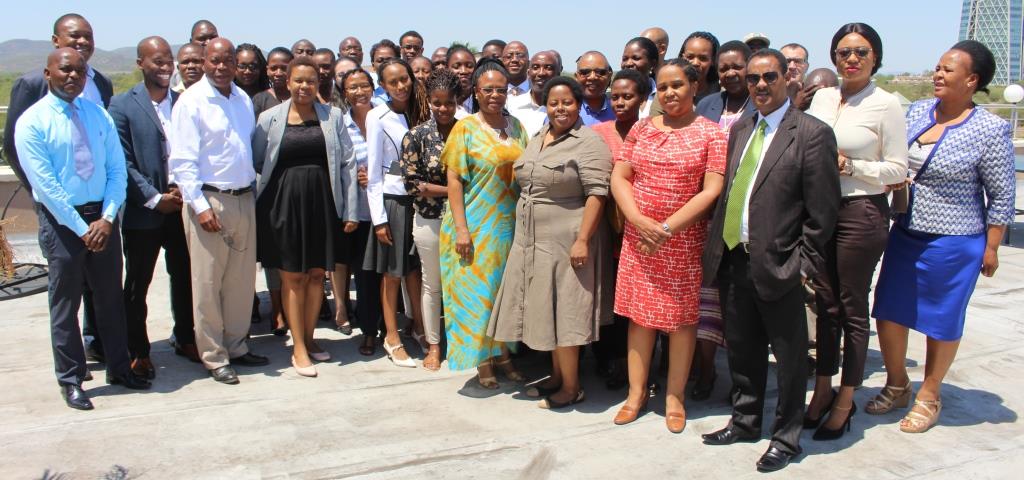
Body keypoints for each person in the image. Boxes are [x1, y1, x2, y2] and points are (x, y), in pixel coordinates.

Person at [700, 49, 839, 472]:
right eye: (754, 78)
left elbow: (823, 212)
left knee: (790, 357)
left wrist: (801, 266)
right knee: (742, 350)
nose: (760, 85)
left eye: (769, 77)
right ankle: (745, 420)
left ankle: (786, 436)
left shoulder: (812, 133)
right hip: (734, 258)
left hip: (780, 264)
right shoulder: (742, 127)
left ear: (786, 79)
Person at [870, 40, 1016, 434]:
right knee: (888, 310)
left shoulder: (990, 128)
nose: (938, 74)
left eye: (948, 70)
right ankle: (897, 383)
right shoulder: (917, 111)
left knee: (941, 320)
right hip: (906, 232)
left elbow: (1002, 193)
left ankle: (929, 394)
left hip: (956, 241)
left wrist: (992, 246)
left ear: (971, 80)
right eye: (937, 67)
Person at [16, 48, 152, 410]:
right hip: (62, 221)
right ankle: (72, 378)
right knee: (66, 304)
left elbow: (116, 170)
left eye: (79, 70)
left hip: (102, 218)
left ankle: (120, 369)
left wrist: (107, 218)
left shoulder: (98, 115)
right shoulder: (33, 122)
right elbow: (45, 186)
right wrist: (82, 228)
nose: (73, 76)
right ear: (48, 73)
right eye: (65, 70)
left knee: (110, 299)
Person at [609, 59, 726, 434]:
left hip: (684, 242)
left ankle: (675, 397)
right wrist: (638, 220)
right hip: (639, 239)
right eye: (663, 86)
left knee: (681, 322)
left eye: (677, 85)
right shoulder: (642, 130)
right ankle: (636, 394)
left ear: (694, 86)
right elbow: (621, 176)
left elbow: (712, 189)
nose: (670, 92)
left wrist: (667, 227)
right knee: (639, 319)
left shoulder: (711, 133)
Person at [805, 23, 909, 440]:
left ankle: (846, 399)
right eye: (844, 52)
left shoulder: (886, 105)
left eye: (861, 52)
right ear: (833, 58)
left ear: (875, 58)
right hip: (820, 211)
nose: (851, 59)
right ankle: (823, 389)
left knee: (849, 307)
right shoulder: (823, 97)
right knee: (824, 305)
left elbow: (899, 169)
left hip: (861, 211)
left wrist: (852, 167)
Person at [489, 76, 613, 408]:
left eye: (567, 102)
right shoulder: (538, 137)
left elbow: (597, 194)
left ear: (579, 104)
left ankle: (572, 388)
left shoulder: (589, 143)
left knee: (567, 313)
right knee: (548, 310)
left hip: (567, 239)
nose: (560, 108)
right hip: (531, 239)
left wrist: (583, 240)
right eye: (553, 103)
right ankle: (558, 377)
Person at [3, 13, 114, 363]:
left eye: (87, 37)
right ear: (55, 42)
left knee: (103, 287)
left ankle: (98, 342)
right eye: (73, 36)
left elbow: (108, 148)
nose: (81, 43)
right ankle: (72, 368)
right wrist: (43, 192)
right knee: (67, 291)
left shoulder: (102, 83)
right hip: (58, 208)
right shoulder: (33, 84)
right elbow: (14, 146)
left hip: (101, 207)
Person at [169, 37, 270, 385]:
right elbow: (182, 162)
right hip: (210, 201)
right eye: (215, 60)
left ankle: (237, 346)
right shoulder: (191, 102)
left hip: (244, 198)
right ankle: (213, 356)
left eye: (228, 60)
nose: (222, 67)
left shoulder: (241, 99)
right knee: (208, 283)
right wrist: (198, 207)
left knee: (241, 282)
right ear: (205, 61)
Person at [253, 56, 358, 377]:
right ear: (287, 82)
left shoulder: (334, 116)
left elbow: (348, 164)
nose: (304, 86)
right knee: (292, 276)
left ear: (318, 84)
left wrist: (350, 210)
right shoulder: (268, 119)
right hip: (282, 206)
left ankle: (310, 338)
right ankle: (298, 347)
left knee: (315, 274)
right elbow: (258, 162)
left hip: (323, 206)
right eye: (298, 80)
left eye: (310, 81)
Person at [109, 36, 199, 378]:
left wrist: (181, 195)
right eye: (157, 61)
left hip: (181, 207)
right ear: (140, 64)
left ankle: (185, 337)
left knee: (184, 277)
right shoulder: (121, 105)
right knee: (138, 285)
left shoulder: (183, 102)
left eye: (168, 60)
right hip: (143, 212)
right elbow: (122, 162)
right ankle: (139, 351)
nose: (165, 67)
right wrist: (153, 197)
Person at [440, 59, 529, 386]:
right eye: (487, 89)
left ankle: (503, 354)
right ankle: (482, 362)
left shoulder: (517, 127)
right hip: (474, 227)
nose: (495, 95)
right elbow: (454, 182)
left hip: (507, 228)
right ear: (475, 92)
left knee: (502, 295)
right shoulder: (464, 128)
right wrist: (462, 229)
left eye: (501, 90)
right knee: (476, 295)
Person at [688, 39, 756, 400]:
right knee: (707, 298)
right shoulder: (706, 105)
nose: (731, 73)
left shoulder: (761, 105)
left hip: (745, 212)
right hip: (706, 214)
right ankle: (704, 370)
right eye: (725, 68)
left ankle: (742, 378)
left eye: (737, 66)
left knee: (738, 300)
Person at [364, 58, 430, 368]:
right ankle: (391, 336)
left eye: (404, 79)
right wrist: (379, 219)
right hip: (393, 201)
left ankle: (417, 325)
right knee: (392, 274)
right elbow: (374, 173)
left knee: (416, 270)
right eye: (393, 82)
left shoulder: (422, 111)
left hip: (422, 202)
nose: (401, 86)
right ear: (383, 86)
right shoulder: (378, 116)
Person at [591, 68, 651, 390]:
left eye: (628, 96)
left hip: (643, 231)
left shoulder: (653, 132)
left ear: (642, 99)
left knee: (636, 304)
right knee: (609, 298)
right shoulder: (598, 132)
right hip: (606, 229)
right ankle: (609, 360)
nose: (620, 102)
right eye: (615, 96)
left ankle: (638, 366)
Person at [400, 68, 461, 370]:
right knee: (432, 285)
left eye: (449, 102)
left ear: (457, 101)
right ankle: (434, 345)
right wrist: (456, 189)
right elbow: (413, 185)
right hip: (429, 221)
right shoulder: (416, 136)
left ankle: (463, 344)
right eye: (437, 103)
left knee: (461, 285)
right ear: (429, 100)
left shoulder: (468, 132)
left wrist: (444, 191)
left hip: (465, 221)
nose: (443, 109)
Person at [337, 67, 385, 352]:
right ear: (345, 92)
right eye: (352, 87)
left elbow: (401, 158)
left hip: (389, 208)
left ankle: (393, 327)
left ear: (373, 87)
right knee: (365, 273)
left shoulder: (387, 117)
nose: (359, 92)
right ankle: (369, 330)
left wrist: (379, 174)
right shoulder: (341, 125)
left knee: (391, 274)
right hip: (360, 213)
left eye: (364, 86)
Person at [650, 32, 720, 117]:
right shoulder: (667, 91)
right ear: (682, 57)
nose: (695, 63)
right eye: (690, 57)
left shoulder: (721, 93)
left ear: (713, 60)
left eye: (703, 58)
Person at [508, 51, 561, 136]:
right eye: (536, 67)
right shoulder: (512, 107)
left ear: (558, 75)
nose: (541, 73)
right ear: (528, 73)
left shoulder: (565, 109)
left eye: (548, 68)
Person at [620, 37, 659, 118]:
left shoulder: (662, 96)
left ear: (653, 63)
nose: (628, 63)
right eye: (625, 59)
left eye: (636, 58)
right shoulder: (614, 99)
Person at [253, 48, 294, 122]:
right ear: (267, 70)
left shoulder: (300, 98)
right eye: (273, 68)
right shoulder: (260, 100)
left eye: (284, 68)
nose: (278, 73)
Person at [575, 51, 615, 126]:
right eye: (585, 72)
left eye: (600, 72)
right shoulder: (566, 112)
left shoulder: (620, 111)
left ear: (609, 76)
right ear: (576, 77)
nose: (592, 77)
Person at [779, 43, 816, 110]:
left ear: (807, 66)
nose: (792, 66)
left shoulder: (814, 96)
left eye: (798, 61)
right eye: (787, 61)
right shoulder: (767, 96)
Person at [447, 45, 477, 113]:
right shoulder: (441, 105)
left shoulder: (483, 104)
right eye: (456, 66)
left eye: (469, 66)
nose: (463, 71)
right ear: (447, 69)